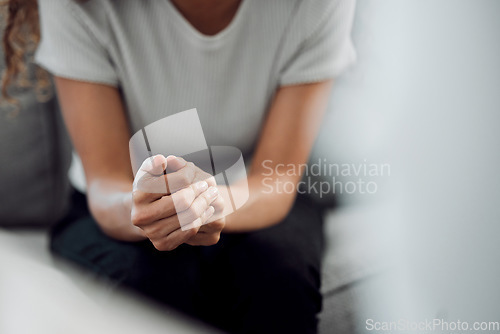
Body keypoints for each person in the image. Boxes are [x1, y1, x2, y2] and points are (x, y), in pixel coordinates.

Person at [2, 0, 356, 333]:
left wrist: (209, 204)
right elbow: (107, 181)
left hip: (254, 194)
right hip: (120, 204)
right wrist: (146, 208)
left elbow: (275, 177)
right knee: (150, 289)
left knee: (280, 285)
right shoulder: (78, 5)